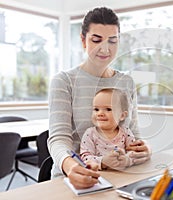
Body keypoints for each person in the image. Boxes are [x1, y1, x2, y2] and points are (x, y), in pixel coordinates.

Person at [48, 7, 151, 189]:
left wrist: (143, 149)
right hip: (76, 177)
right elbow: (58, 138)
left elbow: (133, 133)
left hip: (121, 176)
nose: (105, 48)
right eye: (96, 40)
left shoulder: (126, 82)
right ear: (83, 40)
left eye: (113, 41)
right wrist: (71, 167)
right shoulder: (64, 81)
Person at [80, 88, 135, 170]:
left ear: (122, 115)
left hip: (123, 176)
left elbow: (135, 152)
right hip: (100, 176)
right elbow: (85, 158)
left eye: (108, 109)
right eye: (96, 109)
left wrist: (127, 159)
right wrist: (103, 162)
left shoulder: (126, 132)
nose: (100, 113)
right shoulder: (90, 134)